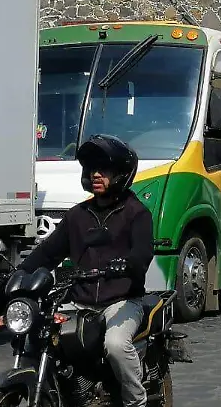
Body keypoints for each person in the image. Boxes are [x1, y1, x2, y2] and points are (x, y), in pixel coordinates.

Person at [17, 134, 154, 407]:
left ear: (121, 174)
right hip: (79, 302)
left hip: (122, 301)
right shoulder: (77, 215)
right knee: (43, 338)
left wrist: (127, 265)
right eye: (92, 169)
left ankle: (136, 401)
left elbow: (142, 254)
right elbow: (47, 253)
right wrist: (17, 275)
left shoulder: (137, 213)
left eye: (104, 169)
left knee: (115, 345)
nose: (96, 175)